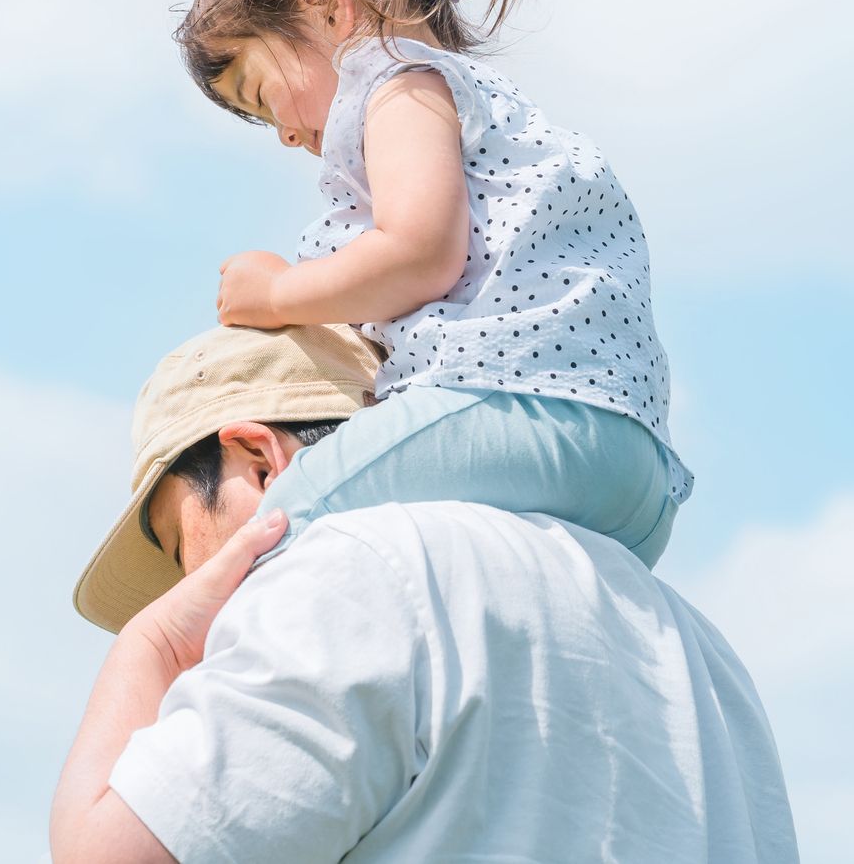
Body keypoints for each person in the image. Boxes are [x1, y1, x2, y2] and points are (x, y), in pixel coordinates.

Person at [56, 323, 797, 863]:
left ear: (258, 461)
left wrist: (146, 646)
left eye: (186, 548)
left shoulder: (341, 575)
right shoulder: (698, 647)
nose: (190, 593)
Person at [175, 0, 689, 568]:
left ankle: (183, 655)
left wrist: (277, 294)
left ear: (328, 5)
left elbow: (420, 254)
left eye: (263, 97)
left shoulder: (398, 83)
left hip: (525, 412)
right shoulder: (468, 106)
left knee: (280, 525)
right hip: (634, 479)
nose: (285, 137)